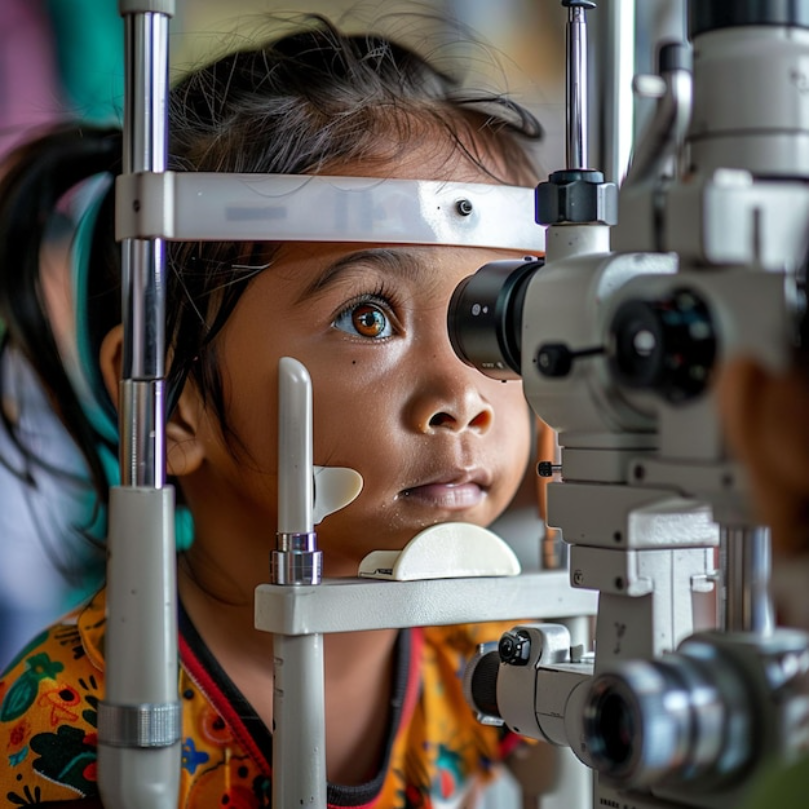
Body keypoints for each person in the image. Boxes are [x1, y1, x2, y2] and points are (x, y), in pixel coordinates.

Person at [0, 15, 546, 808]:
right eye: (369, 316)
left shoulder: (497, 664)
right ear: (169, 399)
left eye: (492, 322)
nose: (462, 396)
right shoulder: (64, 725)